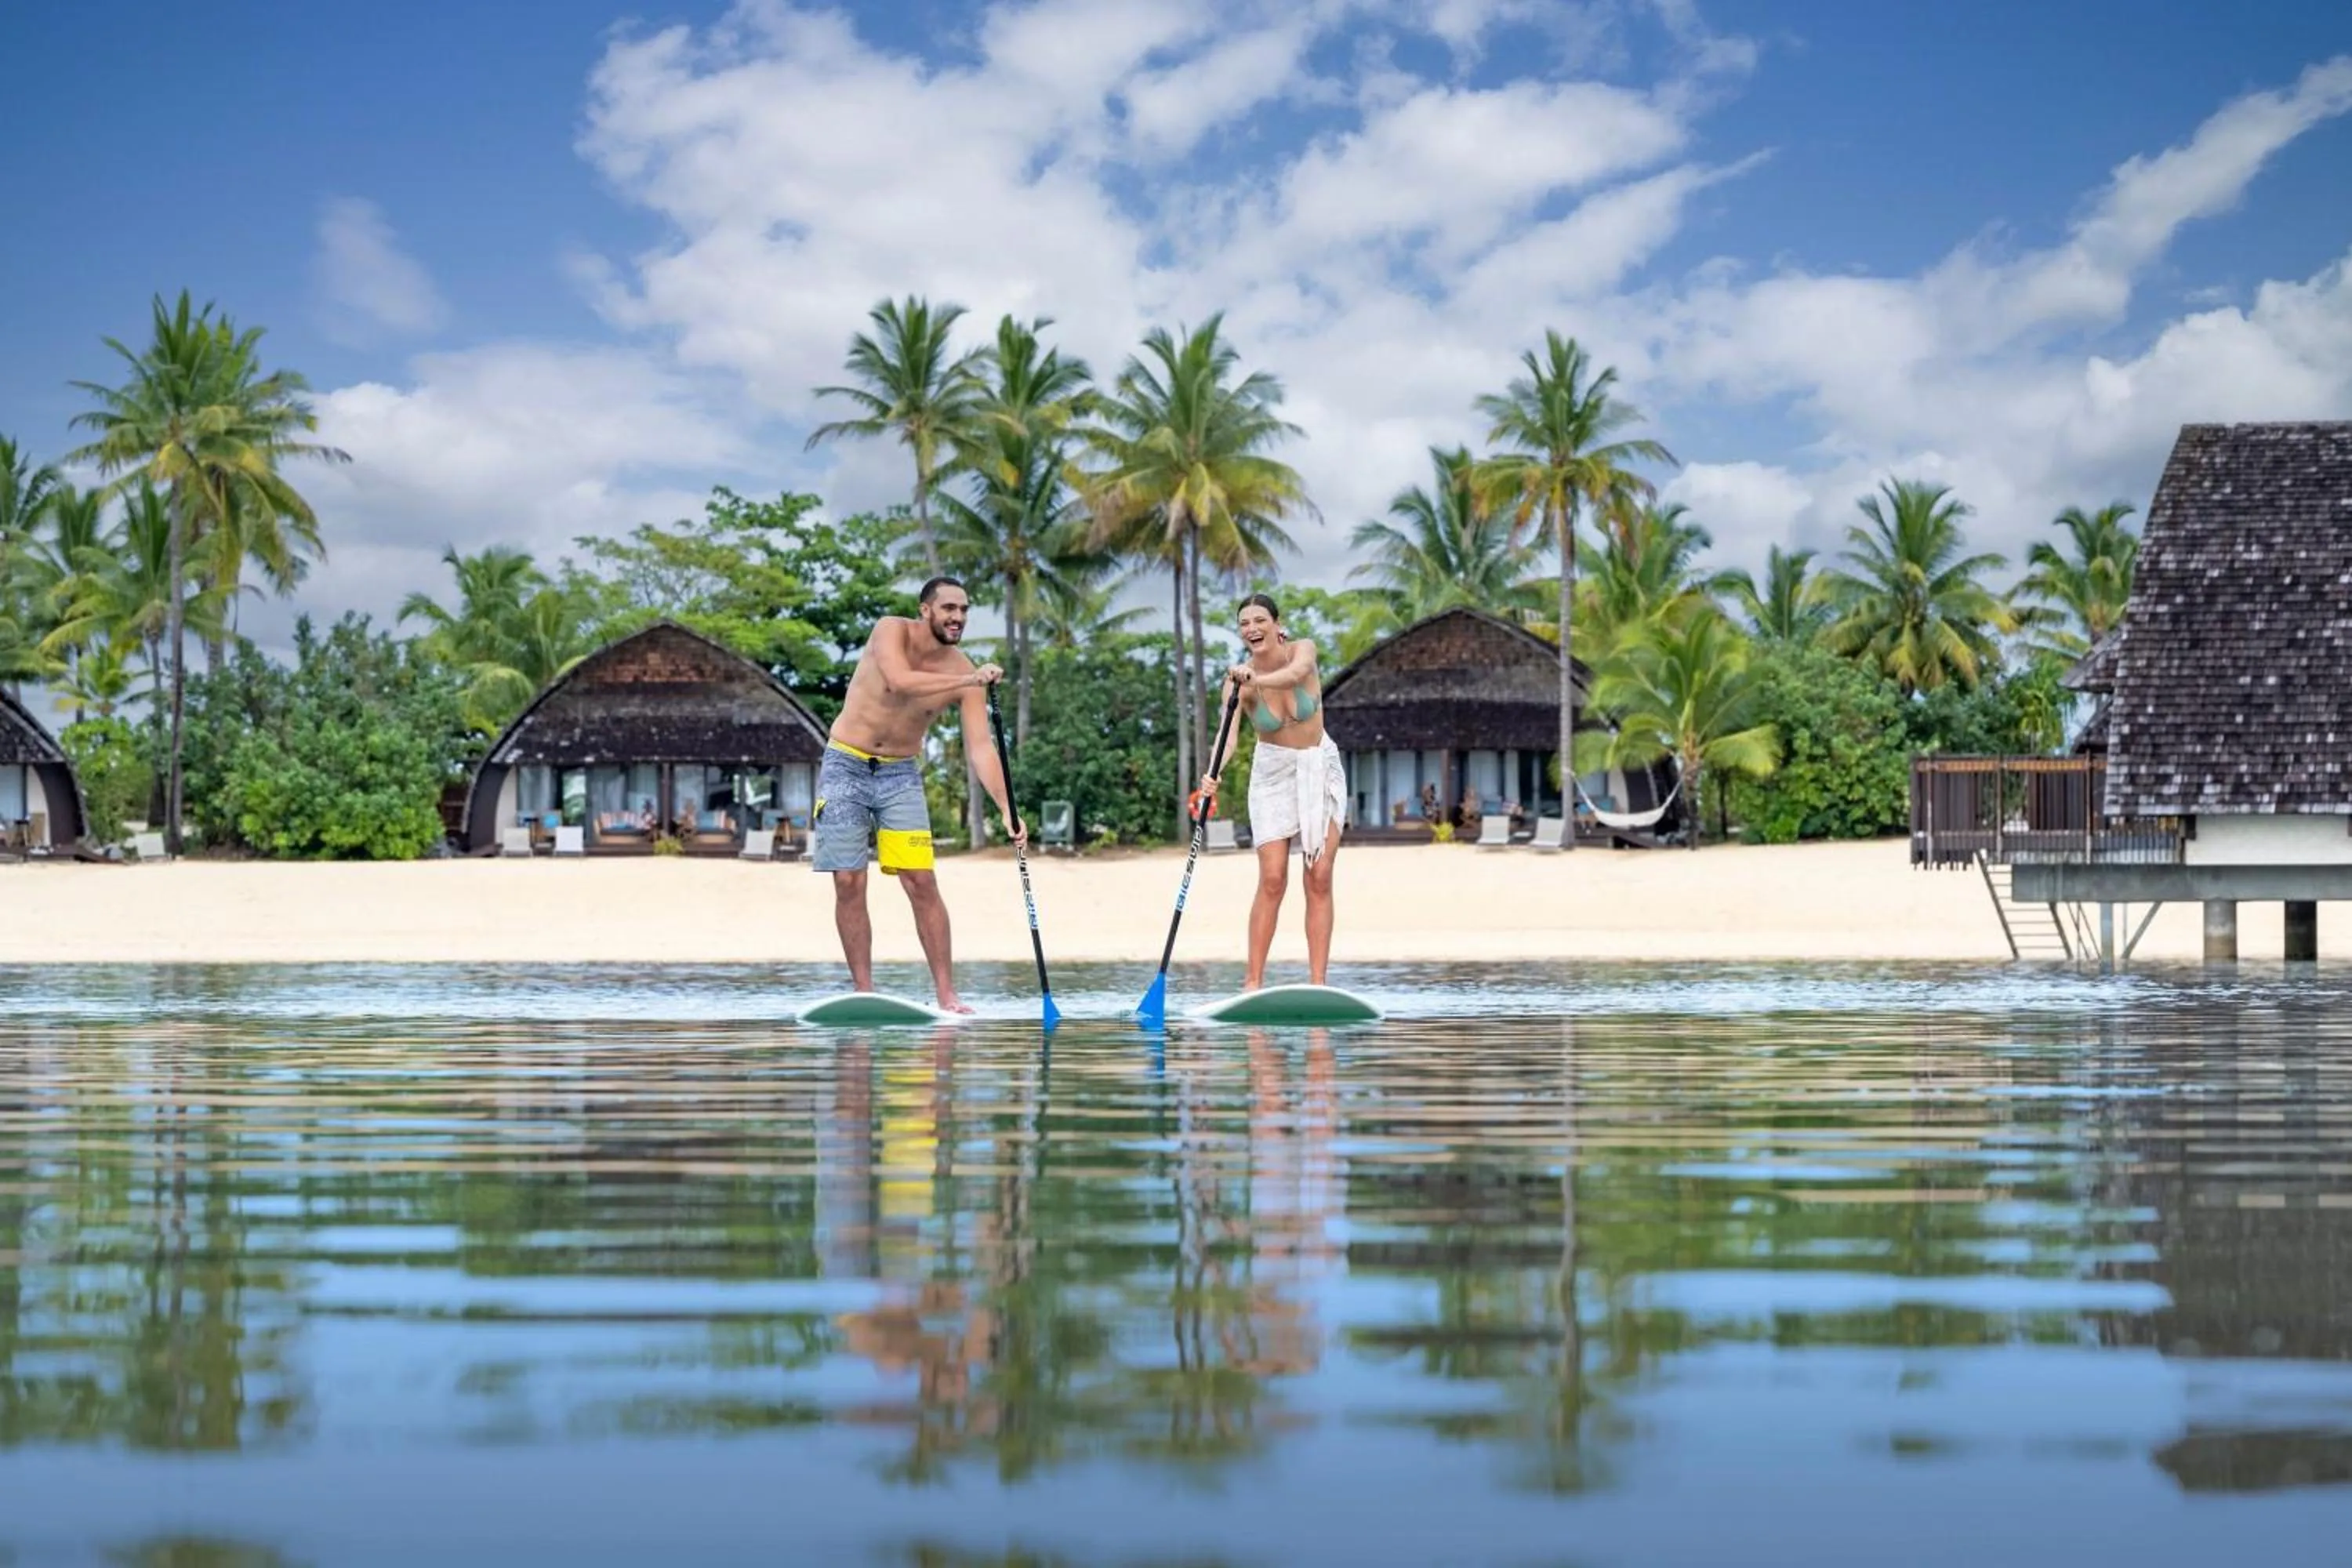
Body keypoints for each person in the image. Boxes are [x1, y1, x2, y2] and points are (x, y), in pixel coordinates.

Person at [818, 576, 1025, 1013]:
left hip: (900, 773)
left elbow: (981, 747)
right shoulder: (889, 630)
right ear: (926, 609)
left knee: (921, 881)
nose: (958, 617)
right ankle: (864, 992)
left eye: (965, 610)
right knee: (848, 879)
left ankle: (947, 997)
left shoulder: (963, 672)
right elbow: (898, 680)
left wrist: (1007, 807)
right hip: (845, 762)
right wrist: (971, 678)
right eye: (950, 608)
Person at [1197, 593, 1345, 991]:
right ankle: (1252, 982)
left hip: (1319, 766)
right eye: (1244, 624)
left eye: (1259, 620)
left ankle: (1318, 984)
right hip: (1272, 774)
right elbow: (1226, 739)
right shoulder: (1236, 685)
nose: (1252, 629)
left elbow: (1295, 675)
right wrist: (1212, 774)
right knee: (1273, 878)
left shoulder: (1303, 651)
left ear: (1277, 625)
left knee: (1319, 875)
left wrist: (1255, 679)